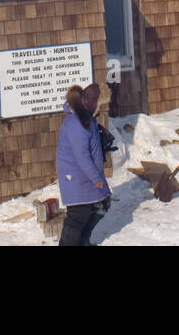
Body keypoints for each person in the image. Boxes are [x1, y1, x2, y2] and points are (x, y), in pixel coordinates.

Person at [55, 84, 111, 246]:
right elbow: (82, 157)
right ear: (92, 104)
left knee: (100, 207)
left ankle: (82, 242)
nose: (100, 110)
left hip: (85, 175)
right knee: (78, 215)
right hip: (77, 176)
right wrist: (95, 178)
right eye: (100, 106)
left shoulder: (85, 120)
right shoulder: (77, 124)